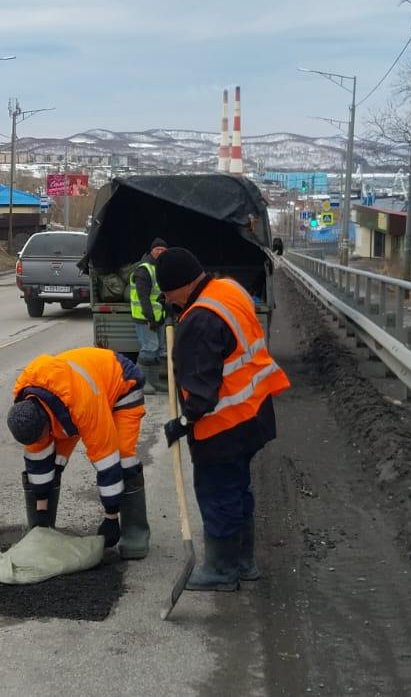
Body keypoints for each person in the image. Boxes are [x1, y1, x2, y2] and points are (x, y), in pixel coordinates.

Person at [156, 247, 290, 590]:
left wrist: (183, 424)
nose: (167, 300)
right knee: (238, 490)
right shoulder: (227, 289)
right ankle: (245, 564)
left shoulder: (199, 321)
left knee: (219, 495)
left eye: (168, 293)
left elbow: (201, 391)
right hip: (253, 413)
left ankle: (221, 571)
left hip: (223, 426)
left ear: (183, 286)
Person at [7, 347, 151, 559]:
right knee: (53, 461)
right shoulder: (27, 406)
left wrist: (111, 517)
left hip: (121, 384)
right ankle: (42, 531)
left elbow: (106, 458)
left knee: (122, 458)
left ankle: (134, 536)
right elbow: (39, 462)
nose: (40, 441)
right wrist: (40, 514)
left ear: (47, 424)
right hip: (69, 396)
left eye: (42, 436)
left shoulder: (84, 407)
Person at [129, 238, 169, 392]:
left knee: (158, 349)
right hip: (145, 317)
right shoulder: (144, 270)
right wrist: (150, 318)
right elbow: (143, 297)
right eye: (157, 249)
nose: (160, 252)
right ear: (151, 251)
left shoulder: (162, 268)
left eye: (163, 250)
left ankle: (154, 381)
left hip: (159, 316)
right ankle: (141, 383)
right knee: (149, 348)